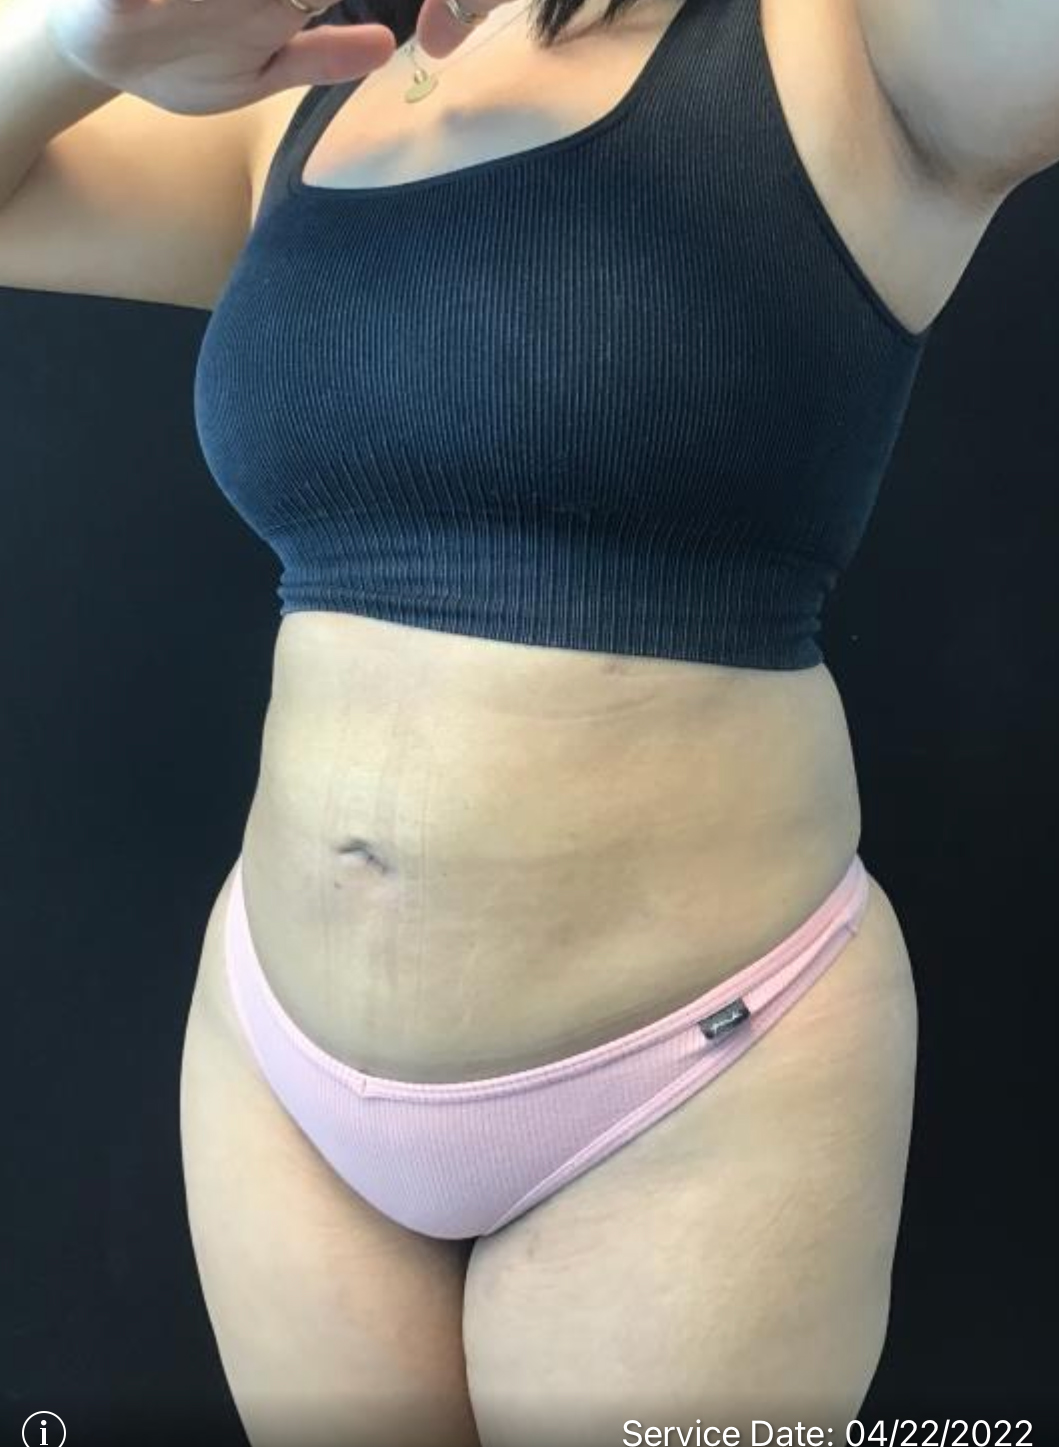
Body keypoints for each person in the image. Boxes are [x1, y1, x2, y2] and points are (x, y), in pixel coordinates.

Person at [1, 0, 1055, 1440]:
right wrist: (70, 48)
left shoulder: (853, 51)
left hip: (692, 1080)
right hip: (276, 1057)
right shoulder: (299, 106)